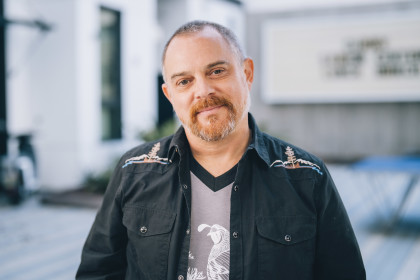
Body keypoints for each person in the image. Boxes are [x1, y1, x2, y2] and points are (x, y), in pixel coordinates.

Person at [76, 20, 366, 280]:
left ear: (247, 73)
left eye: (216, 71)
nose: (202, 91)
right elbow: (98, 272)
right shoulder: (134, 171)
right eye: (184, 81)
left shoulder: (306, 176)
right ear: (170, 95)